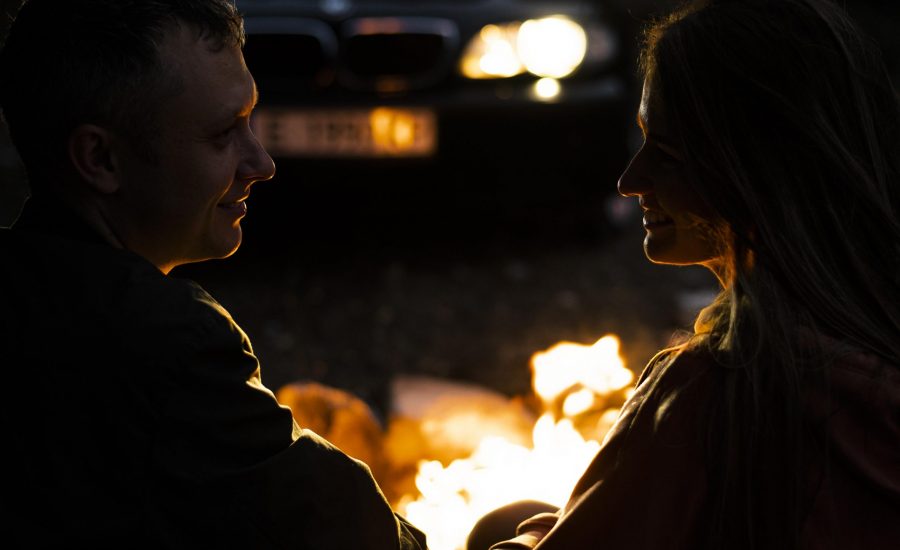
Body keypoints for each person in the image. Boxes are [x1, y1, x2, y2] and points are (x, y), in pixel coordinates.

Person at [473, 0, 900, 548]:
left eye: (668, 153)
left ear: (753, 171)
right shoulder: (870, 348)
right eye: (642, 140)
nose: (631, 180)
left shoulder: (720, 391)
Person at [0, 1, 426, 548]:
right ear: (100, 159)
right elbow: (356, 534)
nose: (261, 163)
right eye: (224, 133)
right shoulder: (162, 342)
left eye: (251, 121)